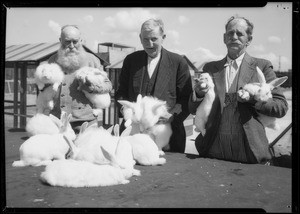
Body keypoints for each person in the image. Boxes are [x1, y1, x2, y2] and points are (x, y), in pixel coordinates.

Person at [188, 15, 288, 164]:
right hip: (212, 149)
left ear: (249, 39)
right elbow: (192, 108)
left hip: (249, 152)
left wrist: (255, 99)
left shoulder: (262, 66)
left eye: (240, 33)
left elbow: (281, 108)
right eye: (230, 33)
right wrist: (199, 93)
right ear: (224, 38)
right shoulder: (210, 68)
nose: (234, 37)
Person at [115, 18, 193, 153]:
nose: (150, 44)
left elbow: (186, 99)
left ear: (163, 37)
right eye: (145, 39)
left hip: (168, 137)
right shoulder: (131, 60)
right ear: (140, 38)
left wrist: (171, 115)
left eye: (154, 39)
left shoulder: (178, 62)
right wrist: (126, 111)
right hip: (133, 136)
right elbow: (121, 92)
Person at [46, 25, 110, 132]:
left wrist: (91, 87)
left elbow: (108, 85)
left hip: (86, 121)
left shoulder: (92, 60)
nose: (71, 46)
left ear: (81, 40)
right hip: (58, 121)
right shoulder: (52, 60)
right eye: (67, 41)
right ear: (60, 40)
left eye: (75, 41)